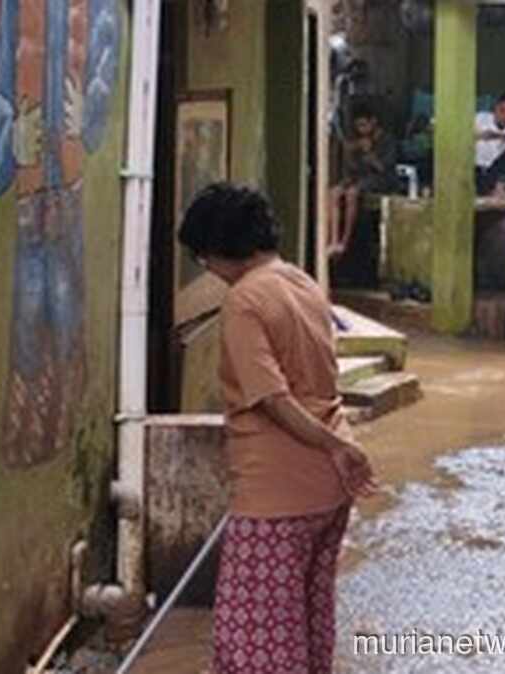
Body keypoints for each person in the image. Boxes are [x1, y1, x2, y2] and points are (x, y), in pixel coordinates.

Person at [177, 183, 378, 674]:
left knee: (256, 638)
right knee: (308, 621)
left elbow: (271, 398)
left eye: (203, 257)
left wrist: (335, 446)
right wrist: (339, 449)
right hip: (327, 491)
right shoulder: (302, 281)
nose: (206, 269)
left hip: (278, 495)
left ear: (220, 250)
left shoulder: (245, 300)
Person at [330, 103, 398, 259]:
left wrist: (370, 154)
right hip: (361, 178)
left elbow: (384, 168)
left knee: (352, 194)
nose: (361, 130)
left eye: (364, 125)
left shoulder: (387, 140)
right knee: (333, 193)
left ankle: (344, 242)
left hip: (381, 179)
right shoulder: (359, 140)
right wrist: (351, 153)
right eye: (358, 126)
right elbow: (354, 168)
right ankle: (332, 239)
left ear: (373, 122)